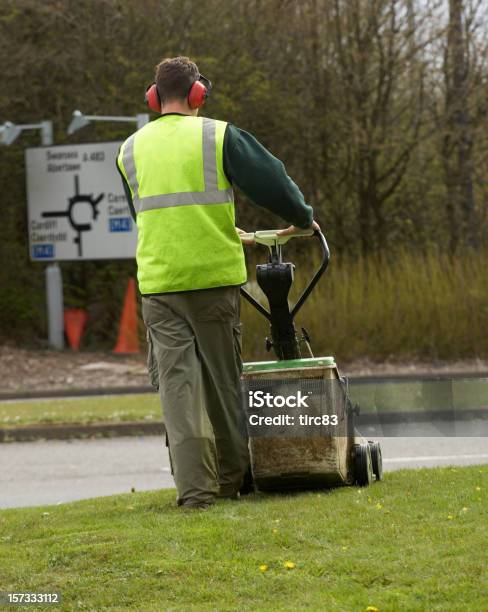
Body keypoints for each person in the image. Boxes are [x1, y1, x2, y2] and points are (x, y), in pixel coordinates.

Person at [116, 56, 319, 509]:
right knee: (224, 382)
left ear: (154, 98)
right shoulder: (218, 135)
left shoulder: (130, 148)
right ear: (197, 95)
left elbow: (147, 218)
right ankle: (233, 479)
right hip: (212, 281)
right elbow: (272, 182)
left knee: (176, 389)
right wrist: (302, 218)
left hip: (159, 286)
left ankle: (194, 493)